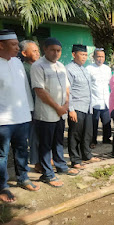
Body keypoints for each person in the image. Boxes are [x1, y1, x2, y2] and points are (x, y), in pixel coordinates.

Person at [31, 38, 80, 188]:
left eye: (58, 50)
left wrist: (65, 105)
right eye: (52, 50)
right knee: (45, 145)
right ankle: (48, 174)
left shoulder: (60, 66)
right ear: (44, 49)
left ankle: (61, 166)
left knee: (58, 141)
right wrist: (57, 107)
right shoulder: (38, 66)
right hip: (46, 114)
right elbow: (40, 91)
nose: (56, 53)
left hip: (61, 112)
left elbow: (66, 87)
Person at [0, 29, 39, 203]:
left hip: (22, 117)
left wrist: (29, 111)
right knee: (2, 155)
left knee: (22, 150)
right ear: (1, 45)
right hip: (3, 120)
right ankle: (2, 186)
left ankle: (23, 178)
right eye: (14, 44)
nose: (18, 47)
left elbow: (25, 89)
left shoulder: (17, 63)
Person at [66, 44, 100, 170]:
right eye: (82, 54)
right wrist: (71, 109)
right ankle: (75, 160)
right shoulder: (69, 69)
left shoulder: (84, 69)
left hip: (88, 107)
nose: (84, 57)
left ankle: (87, 155)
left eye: (86, 55)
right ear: (74, 54)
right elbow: (67, 91)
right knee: (75, 135)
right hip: (77, 108)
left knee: (87, 134)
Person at [19, 40, 42, 173]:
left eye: (38, 50)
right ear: (24, 53)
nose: (37, 53)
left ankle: (45, 158)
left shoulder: (40, 66)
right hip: (30, 107)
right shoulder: (23, 68)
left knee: (43, 135)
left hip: (42, 106)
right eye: (34, 51)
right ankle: (36, 162)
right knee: (34, 136)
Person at [86, 48, 112, 149]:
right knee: (94, 122)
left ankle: (106, 138)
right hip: (94, 100)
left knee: (107, 121)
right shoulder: (89, 69)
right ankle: (93, 140)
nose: (100, 59)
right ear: (94, 57)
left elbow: (110, 83)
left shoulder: (107, 69)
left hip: (106, 100)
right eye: (98, 56)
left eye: (102, 57)